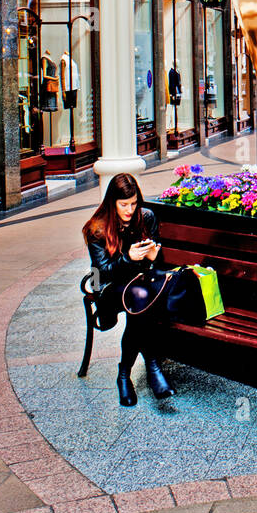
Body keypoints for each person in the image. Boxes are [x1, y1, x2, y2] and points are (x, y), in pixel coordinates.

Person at [83, 174, 177, 407]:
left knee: (141, 301)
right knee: (141, 298)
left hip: (140, 286)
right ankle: (153, 366)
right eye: (123, 204)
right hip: (108, 289)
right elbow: (101, 273)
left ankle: (124, 375)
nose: (129, 209)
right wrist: (128, 258)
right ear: (112, 202)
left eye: (134, 203)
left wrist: (154, 257)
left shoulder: (146, 217)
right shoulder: (97, 229)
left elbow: (153, 263)